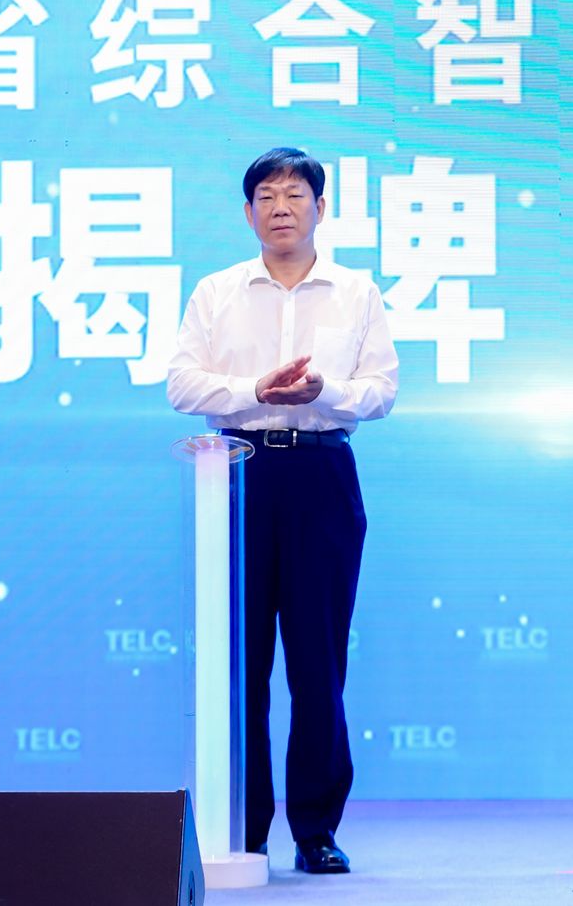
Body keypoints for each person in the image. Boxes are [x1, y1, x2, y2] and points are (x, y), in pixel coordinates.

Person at [167, 146, 398, 874]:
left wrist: (324, 390)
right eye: (266, 196)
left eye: (295, 194)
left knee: (317, 662)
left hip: (323, 473)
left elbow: (382, 391)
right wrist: (255, 391)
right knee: (241, 664)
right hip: (238, 476)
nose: (281, 208)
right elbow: (182, 384)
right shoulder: (217, 292)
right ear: (247, 213)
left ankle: (316, 830)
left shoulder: (356, 292)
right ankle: (244, 827)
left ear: (320, 207)